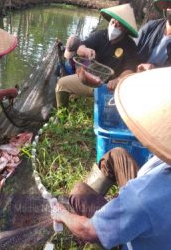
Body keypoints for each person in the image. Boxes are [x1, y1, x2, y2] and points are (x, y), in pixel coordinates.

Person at [51, 67, 171, 249]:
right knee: (117, 155)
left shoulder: (142, 198)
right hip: (158, 224)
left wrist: (62, 215)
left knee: (78, 193)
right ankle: (109, 212)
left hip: (136, 239)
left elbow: (88, 230)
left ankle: (109, 231)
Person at [55, 3, 140, 108]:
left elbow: (130, 70)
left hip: (110, 87)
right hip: (90, 79)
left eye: (118, 25)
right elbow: (80, 48)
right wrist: (85, 50)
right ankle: (62, 114)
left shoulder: (130, 45)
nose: (114, 26)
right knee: (62, 84)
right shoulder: (100, 35)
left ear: (125, 29)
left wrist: (117, 80)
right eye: (113, 22)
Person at [136, 0, 171, 71]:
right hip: (135, 74)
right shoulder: (151, 27)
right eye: (169, 6)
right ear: (165, 9)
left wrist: (154, 68)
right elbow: (132, 49)